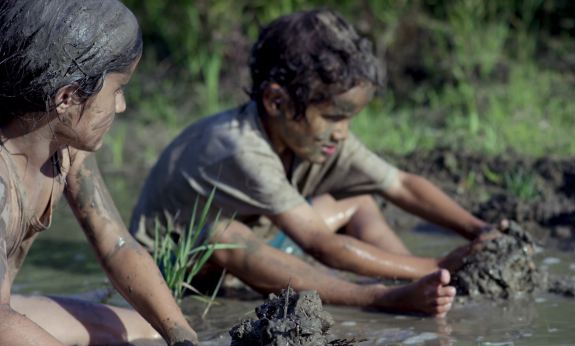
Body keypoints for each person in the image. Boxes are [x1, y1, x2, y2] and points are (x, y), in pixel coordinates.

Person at [131, 10, 498, 318]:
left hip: (255, 249)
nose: (342, 133)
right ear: (276, 101)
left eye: (349, 118)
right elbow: (321, 245)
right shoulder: (239, 148)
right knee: (223, 236)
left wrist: (479, 231)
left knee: (359, 202)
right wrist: (439, 262)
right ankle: (381, 297)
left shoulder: (313, 135)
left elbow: (400, 185)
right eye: (334, 116)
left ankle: (421, 285)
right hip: (173, 273)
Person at [0, 1, 217, 346]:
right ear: (65, 98)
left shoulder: (64, 147)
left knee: (143, 328)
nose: (123, 104)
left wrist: (182, 338)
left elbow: (116, 245)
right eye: (118, 89)